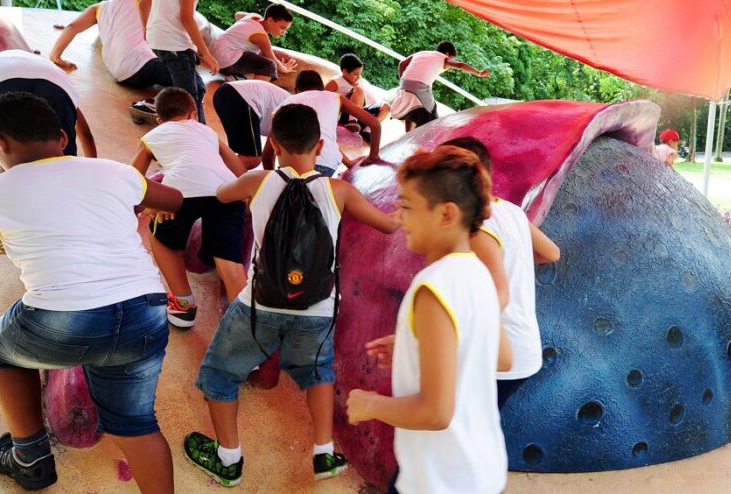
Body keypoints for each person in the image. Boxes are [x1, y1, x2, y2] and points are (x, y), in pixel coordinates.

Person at [0, 92, 183, 492]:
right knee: (136, 425)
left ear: (0, 142)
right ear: (63, 138)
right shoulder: (115, 172)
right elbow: (174, 199)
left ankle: (30, 457)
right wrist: (129, 205)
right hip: (145, 309)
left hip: (63, 319)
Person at [184, 103, 400, 486]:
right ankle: (323, 451)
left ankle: (228, 458)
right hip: (318, 308)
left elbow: (221, 194)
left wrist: (257, 173)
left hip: (259, 305)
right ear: (320, 146)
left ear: (275, 145)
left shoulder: (257, 182)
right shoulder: (339, 191)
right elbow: (388, 225)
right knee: (318, 373)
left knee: (220, 372)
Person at [347, 146, 512, 493]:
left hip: (440, 480)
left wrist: (370, 404)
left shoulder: (433, 287)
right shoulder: (479, 273)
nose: (400, 217)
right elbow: (501, 357)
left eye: (408, 206)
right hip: (480, 469)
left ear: (446, 214)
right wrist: (416, 345)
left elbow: (435, 413)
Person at [444, 137, 561, 409]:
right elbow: (551, 252)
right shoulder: (510, 211)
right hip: (523, 347)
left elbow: (494, 296)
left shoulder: (477, 229)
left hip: (496, 354)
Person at [131, 87, 248, 327]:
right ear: (193, 115)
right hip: (226, 189)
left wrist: (151, 202)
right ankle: (243, 326)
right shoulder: (207, 131)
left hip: (181, 190)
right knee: (230, 261)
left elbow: (132, 178)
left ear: (159, 120)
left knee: (161, 237)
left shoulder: (154, 135)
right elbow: (240, 171)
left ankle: (183, 306)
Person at [0, 50, 96, 159]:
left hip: (0, 73)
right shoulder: (63, 98)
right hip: (41, 78)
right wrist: (93, 171)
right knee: (64, 165)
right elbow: (86, 135)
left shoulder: (63, 97)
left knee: (12, 160)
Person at [267, 70, 381, 175]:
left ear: (295, 90)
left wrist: (271, 178)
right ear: (322, 89)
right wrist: (373, 156)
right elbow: (375, 124)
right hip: (327, 165)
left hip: (290, 167)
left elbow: (268, 151)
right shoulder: (336, 97)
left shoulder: (286, 103)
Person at [49, 0, 172, 89]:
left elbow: (72, 27)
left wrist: (55, 55)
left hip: (121, 74)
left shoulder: (98, 8)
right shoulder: (144, 3)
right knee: (181, 75)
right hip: (143, 66)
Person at [140, 0, 218, 123]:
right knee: (188, 99)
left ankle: (199, 128)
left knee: (199, 88)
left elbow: (143, 3)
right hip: (175, 44)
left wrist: (146, 28)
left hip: (158, 38)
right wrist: (205, 53)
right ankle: (191, 130)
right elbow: (186, 18)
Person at [392, 41, 489, 131]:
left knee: (410, 108)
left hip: (404, 84)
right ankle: (424, 138)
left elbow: (402, 64)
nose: (451, 62)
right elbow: (460, 65)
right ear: (447, 53)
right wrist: (479, 73)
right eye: (452, 58)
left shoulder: (422, 53)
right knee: (431, 116)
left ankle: (408, 135)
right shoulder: (443, 58)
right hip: (420, 86)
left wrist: (403, 81)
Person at [212, 79, 291, 169]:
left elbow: (268, 156)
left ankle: (209, 169)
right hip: (241, 96)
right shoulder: (297, 122)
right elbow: (268, 156)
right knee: (252, 159)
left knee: (246, 157)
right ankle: (209, 172)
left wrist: (271, 176)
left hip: (227, 92)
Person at [211, 3, 297, 81]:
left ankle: (238, 77)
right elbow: (273, 60)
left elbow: (237, 14)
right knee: (270, 66)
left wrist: (240, 32)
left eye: (285, 29)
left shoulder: (253, 16)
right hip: (224, 61)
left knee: (256, 55)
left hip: (218, 55)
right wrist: (286, 69)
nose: (283, 32)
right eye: (282, 28)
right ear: (270, 20)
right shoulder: (261, 37)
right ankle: (248, 89)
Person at [325, 53, 391, 130]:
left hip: (359, 114)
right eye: (356, 74)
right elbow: (321, 97)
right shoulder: (335, 82)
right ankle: (352, 120)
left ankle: (368, 129)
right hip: (345, 115)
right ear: (345, 72)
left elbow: (363, 103)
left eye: (360, 74)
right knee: (359, 90)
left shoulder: (358, 81)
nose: (359, 77)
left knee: (386, 106)